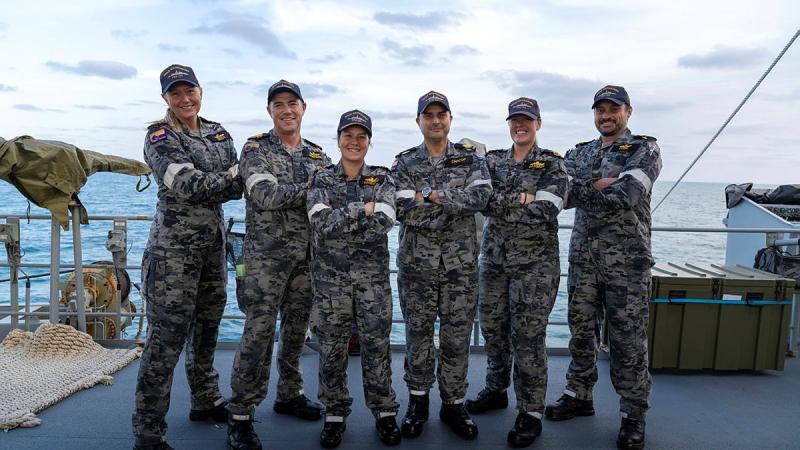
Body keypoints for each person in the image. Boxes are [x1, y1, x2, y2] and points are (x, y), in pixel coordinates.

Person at [545, 85, 662, 450]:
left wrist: (585, 187)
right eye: (600, 109)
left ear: (628, 111)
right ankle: (579, 395)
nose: (606, 115)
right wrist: (598, 185)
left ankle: (633, 414)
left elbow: (627, 195)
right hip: (584, 260)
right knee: (581, 331)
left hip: (627, 263)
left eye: (614, 108)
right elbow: (560, 193)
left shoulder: (644, 149)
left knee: (628, 340)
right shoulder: (580, 152)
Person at [132, 64, 242, 450]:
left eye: (189, 90)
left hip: (212, 249)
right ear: (165, 98)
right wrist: (227, 178)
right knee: (165, 340)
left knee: (208, 329)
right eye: (175, 93)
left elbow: (237, 185)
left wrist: (226, 181)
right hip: (172, 255)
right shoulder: (159, 136)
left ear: (200, 91)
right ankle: (148, 430)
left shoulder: (218, 132)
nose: (184, 99)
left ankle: (205, 399)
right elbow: (187, 184)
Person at [227, 80, 330, 450]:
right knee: (257, 336)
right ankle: (240, 415)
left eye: (293, 103)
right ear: (269, 111)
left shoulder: (318, 155)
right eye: (279, 104)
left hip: (306, 260)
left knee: (296, 333)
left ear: (303, 108)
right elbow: (264, 194)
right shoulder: (254, 149)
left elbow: (333, 197)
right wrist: (314, 190)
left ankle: (290, 394)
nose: (287, 110)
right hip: (265, 263)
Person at [465, 97, 568, 447]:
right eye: (515, 120)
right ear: (509, 124)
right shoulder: (492, 161)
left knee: (528, 338)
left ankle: (531, 411)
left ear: (538, 123)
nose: (520, 125)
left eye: (527, 119)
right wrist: (524, 198)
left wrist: (509, 201)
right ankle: (496, 390)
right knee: (493, 330)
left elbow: (547, 208)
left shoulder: (553, 163)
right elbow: (481, 200)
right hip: (495, 263)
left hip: (535, 267)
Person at [392, 91, 492, 440]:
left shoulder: (472, 160)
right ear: (418, 121)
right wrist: (454, 206)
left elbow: (481, 197)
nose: (435, 120)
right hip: (416, 267)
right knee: (417, 335)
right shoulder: (405, 163)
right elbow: (402, 207)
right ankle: (417, 403)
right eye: (428, 115)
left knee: (457, 338)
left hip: (459, 268)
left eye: (441, 114)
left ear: (450, 119)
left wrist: (432, 196)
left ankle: (454, 404)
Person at [306, 110, 401, 448]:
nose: (354, 142)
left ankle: (384, 411)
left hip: (372, 282)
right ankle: (334, 413)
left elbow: (385, 220)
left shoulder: (382, 178)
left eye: (361, 136)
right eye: (348, 135)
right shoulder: (320, 179)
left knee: (377, 346)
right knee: (332, 348)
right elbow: (320, 222)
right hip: (331, 282)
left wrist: (342, 215)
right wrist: (364, 209)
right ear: (338, 139)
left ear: (369, 142)